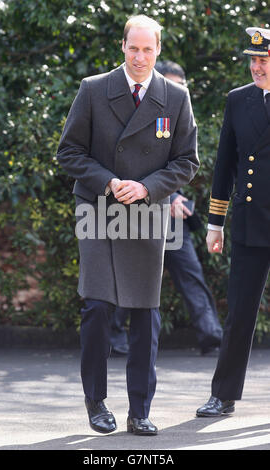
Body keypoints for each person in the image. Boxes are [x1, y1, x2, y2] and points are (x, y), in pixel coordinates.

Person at [56, 14, 199, 435]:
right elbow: (69, 153)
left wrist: (148, 187)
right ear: (122, 46)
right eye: (133, 48)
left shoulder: (175, 98)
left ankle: (140, 409)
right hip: (99, 208)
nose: (140, 57)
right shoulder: (94, 89)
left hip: (147, 209)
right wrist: (111, 181)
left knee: (144, 311)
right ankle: (96, 400)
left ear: (158, 50)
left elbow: (187, 161)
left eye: (148, 49)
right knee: (97, 305)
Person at [110, 61, 222, 357]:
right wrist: (166, 197)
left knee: (190, 273)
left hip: (173, 217)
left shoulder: (181, 115)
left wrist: (176, 198)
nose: (175, 91)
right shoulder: (140, 113)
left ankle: (211, 334)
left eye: (179, 85)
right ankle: (113, 335)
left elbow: (182, 164)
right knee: (135, 274)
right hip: (140, 211)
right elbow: (133, 162)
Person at [196, 27, 270, 417]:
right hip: (249, 221)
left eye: (264, 59)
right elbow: (225, 164)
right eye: (253, 60)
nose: (257, 66)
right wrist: (215, 223)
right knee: (239, 312)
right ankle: (223, 395)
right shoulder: (238, 100)